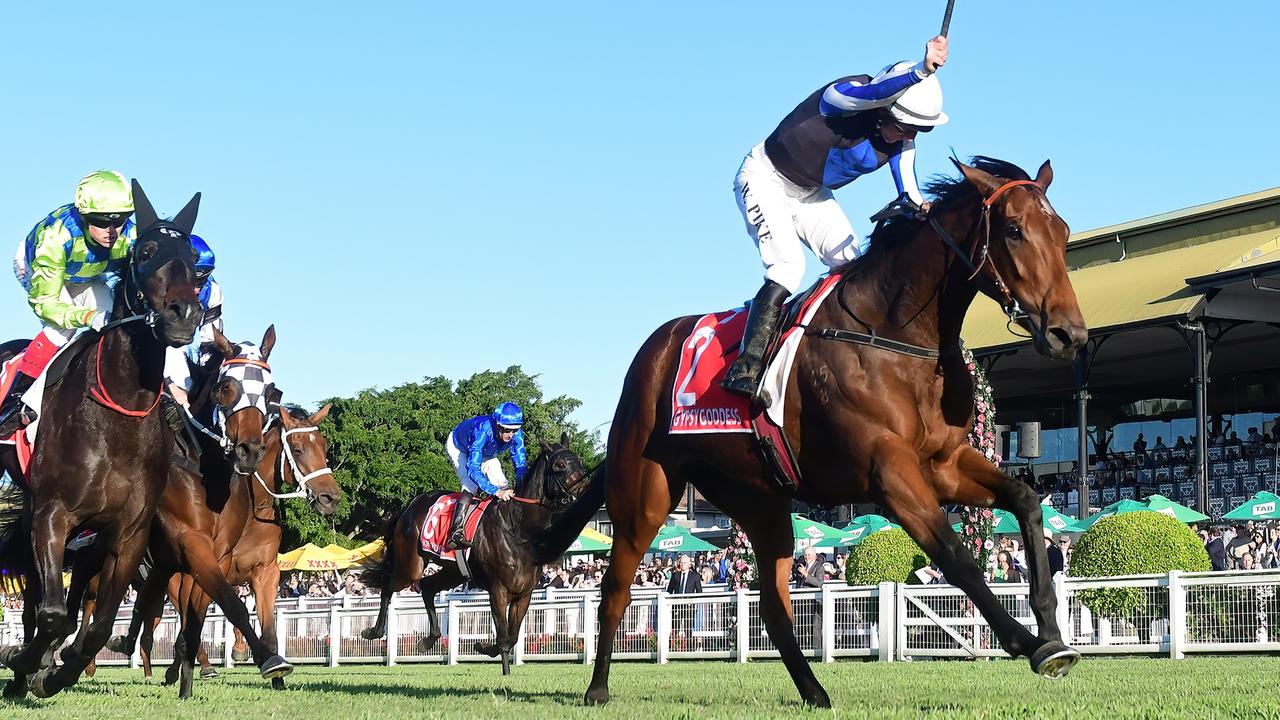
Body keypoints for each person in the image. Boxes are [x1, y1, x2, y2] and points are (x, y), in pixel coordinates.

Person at [721, 36, 950, 401]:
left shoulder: (902, 142)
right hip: (764, 179)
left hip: (811, 195)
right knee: (787, 266)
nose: (908, 136)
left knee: (852, 264)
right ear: (881, 112)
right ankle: (746, 368)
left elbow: (910, 194)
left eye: (919, 130)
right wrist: (920, 71)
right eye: (904, 125)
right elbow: (871, 94)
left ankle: (831, 351)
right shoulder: (841, 97)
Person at [0, 170, 136, 436]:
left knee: (116, 323)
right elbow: (45, 303)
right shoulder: (55, 237)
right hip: (41, 270)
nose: (111, 231)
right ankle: (15, 401)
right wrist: (86, 317)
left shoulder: (129, 236)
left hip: (89, 274)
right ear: (84, 215)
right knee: (61, 329)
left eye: (119, 220)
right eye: (99, 221)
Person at [161, 234, 224, 430]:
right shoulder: (162, 286)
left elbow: (210, 339)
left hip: (181, 339)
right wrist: (169, 383)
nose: (196, 289)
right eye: (192, 279)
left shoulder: (212, 291)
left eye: (201, 279)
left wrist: (209, 377)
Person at [443, 402, 527, 549]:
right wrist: (495, 491)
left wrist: (522, 484)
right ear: (498, 425)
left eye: (514, 430)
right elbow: (473, 469)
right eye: (507, 430)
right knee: (471, 485)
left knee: (503, 483)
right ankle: (456, 531)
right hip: (459, 447)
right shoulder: (482, 431)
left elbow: (520, 463)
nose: (510, 435)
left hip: (487, 453)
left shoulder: (516, 435)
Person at [666, 554, 703, 640]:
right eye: (681, 563)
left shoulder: (695, 576)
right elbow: (669, 591)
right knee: (675, 627)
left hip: (689, 605)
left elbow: (699, 592)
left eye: (685, 563)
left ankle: (689, 646)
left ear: (689, 564)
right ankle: (675, 645)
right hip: (676, 605)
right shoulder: (675, 575)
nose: (683, 564)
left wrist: (693, 602)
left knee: (688, 627)